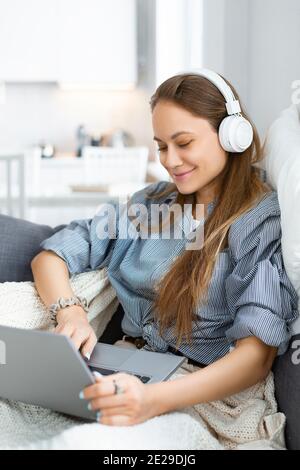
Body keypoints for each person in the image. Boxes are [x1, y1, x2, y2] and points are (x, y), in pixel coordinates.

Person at [31, 69, 299, 429]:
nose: (170, 161)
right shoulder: (150, 203)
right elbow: (51, 255)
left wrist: (152, 401)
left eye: (184, 143)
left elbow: (256, 356)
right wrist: (70, 313)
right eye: (161, 146)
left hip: (195, 389)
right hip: (125, 367)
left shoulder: (257, 222)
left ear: (231, 136)